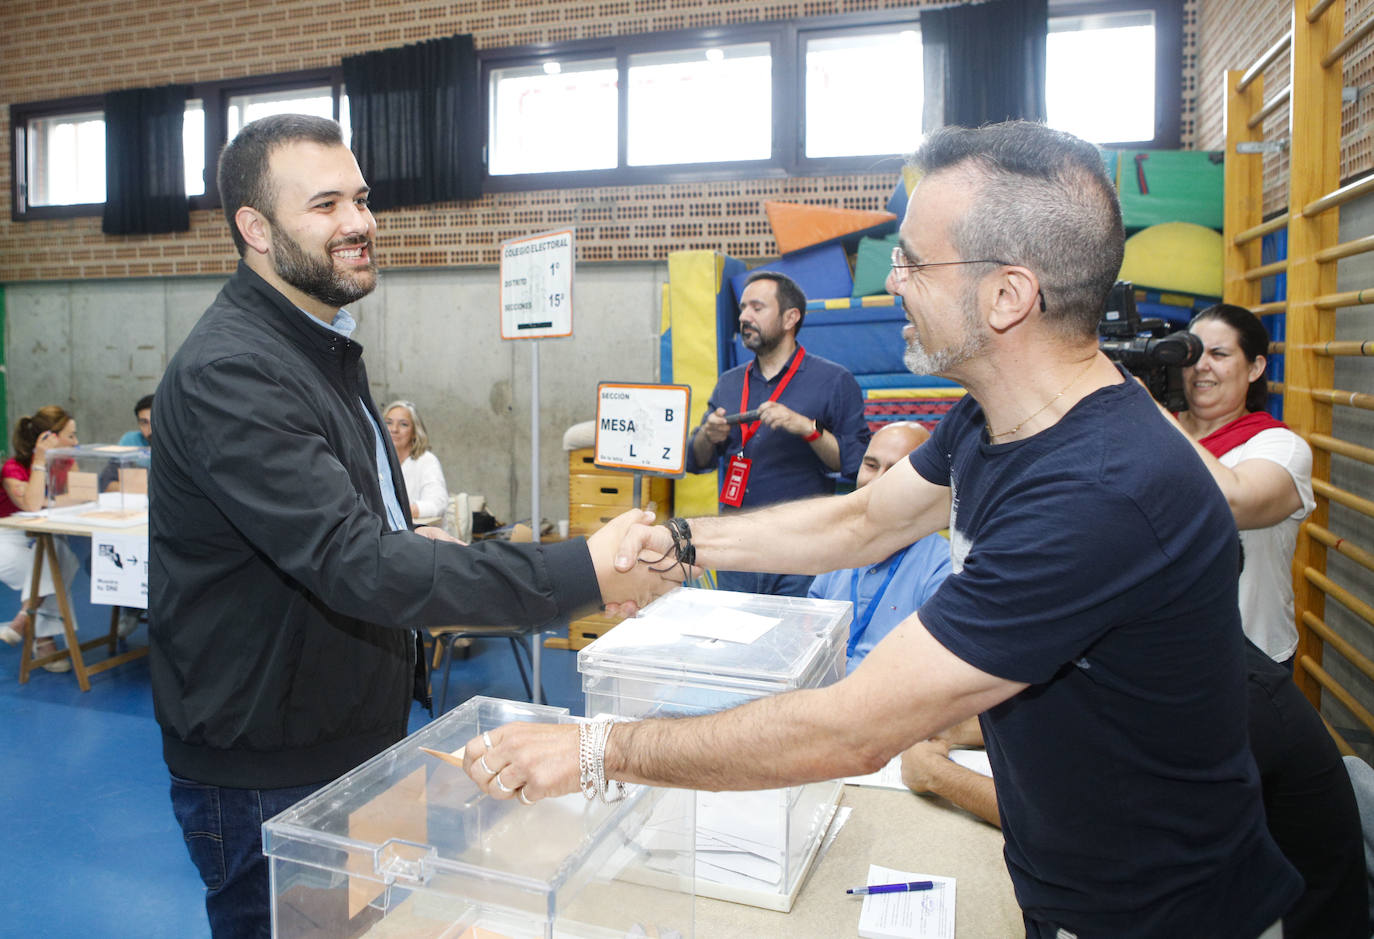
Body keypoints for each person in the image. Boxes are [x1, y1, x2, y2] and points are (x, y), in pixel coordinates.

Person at [463, 121, 1302, 938]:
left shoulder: (1102, 490)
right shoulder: (992, 420)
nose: (893, 279)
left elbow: (850, 726)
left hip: (1166, 915)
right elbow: (866, 519)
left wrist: (595, 746)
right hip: (1069, 884)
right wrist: (686, 545)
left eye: (913, 260)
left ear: (1008, 295)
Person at [149, 113, 675, 939]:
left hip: (349, 737)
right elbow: (355, 563)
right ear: (254, 228)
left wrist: (428, 551)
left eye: (360, 198)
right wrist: (585, 571)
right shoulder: (235, 370)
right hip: (270, 772)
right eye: (324, 205)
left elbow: (370, 536)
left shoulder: (318, 346)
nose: (358, 222)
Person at [901, 640, 1369, 939]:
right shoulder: (1164, 652)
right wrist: (964, 730)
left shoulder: (1232, 704)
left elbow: (1074, 830)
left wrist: (940, 776)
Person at [685, 269, 869, 597]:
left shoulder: (834, 381)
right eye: (742, 308)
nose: (744, 317)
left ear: (790, 318)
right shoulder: (729, 382)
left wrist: (807, 429)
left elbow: (854, 463)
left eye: (757, 308)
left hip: (802, 547)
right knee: (736, 641)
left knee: (794, 644)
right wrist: (706, 436)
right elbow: (698, 460)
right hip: (737, 545)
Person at [1167, 303, 1314, 665]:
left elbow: (1232, 503)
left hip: (1248, 662)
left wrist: (1151, 415)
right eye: (1195, 352)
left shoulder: (1279, 446)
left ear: (1255, 368)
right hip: (1160, 658)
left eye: (1219, 354)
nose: (1202, 365)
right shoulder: (1149, 429)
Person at [807, 421, 951, 672]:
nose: (876, 483)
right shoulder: (839, 550)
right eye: (871, 466)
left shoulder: (943, 567)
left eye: (896, 472)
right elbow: (810, 634)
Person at [0, 406, 82, 672]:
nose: (76, 442)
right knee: (54, 568)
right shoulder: (13, 468)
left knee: (59, 554)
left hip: (44, 535)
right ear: (49, 437)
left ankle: (25, 618)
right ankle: (43, 638)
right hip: (7, 536)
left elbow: (82, 497)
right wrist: (40, 458)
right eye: (71, 436)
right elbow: (33, 505)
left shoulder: (67, 461)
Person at [383, 399, 448, 521]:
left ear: (415, 432)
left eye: (403, 424)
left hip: (420, 534)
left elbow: (438, 503)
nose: (394, 429)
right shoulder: (377, 460)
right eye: (388, 423)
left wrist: (399, 512)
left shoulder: (427, 461)